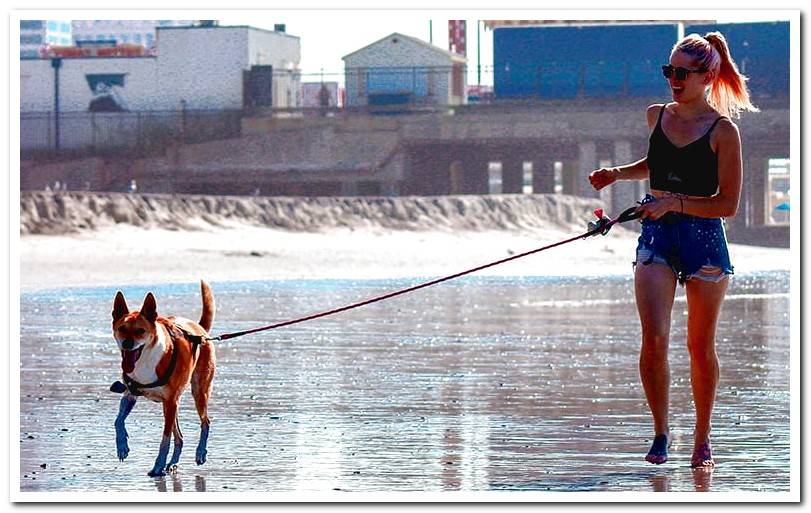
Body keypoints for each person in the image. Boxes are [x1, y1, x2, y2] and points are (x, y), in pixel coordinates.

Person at [588, 32, 758, 468]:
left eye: (682, 73)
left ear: (707, 76)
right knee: (655, 339)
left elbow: (729, 203)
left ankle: (702, 438)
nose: (674, 80)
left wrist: (675, 203)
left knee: (700, 346)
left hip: (704, 239)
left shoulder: (724, 131)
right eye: (669, 71)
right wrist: (617, 174)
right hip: (656, 236)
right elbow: (657, 162)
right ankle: (661, 432)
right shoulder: (656, 116)